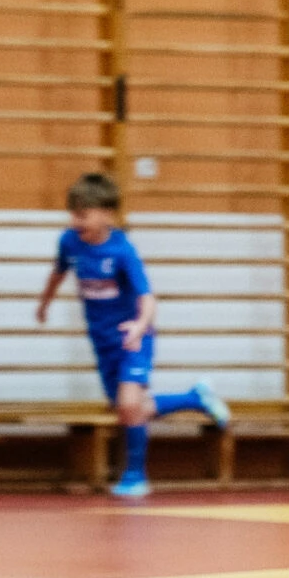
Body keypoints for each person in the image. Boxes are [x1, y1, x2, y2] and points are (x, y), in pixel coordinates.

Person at [36, 173, 230, 498]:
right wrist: (44, 304)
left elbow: (148, 298)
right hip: (103, 342)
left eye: (82, 215)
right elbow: (58, 272)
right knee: (129, 410)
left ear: (106, 214)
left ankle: (135, 476)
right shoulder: (69, 242)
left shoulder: (123, 251)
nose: (75, 221)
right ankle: (195, 398)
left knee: (129, 405)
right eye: (72, 214)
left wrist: (140, 326)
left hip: (134, 338)